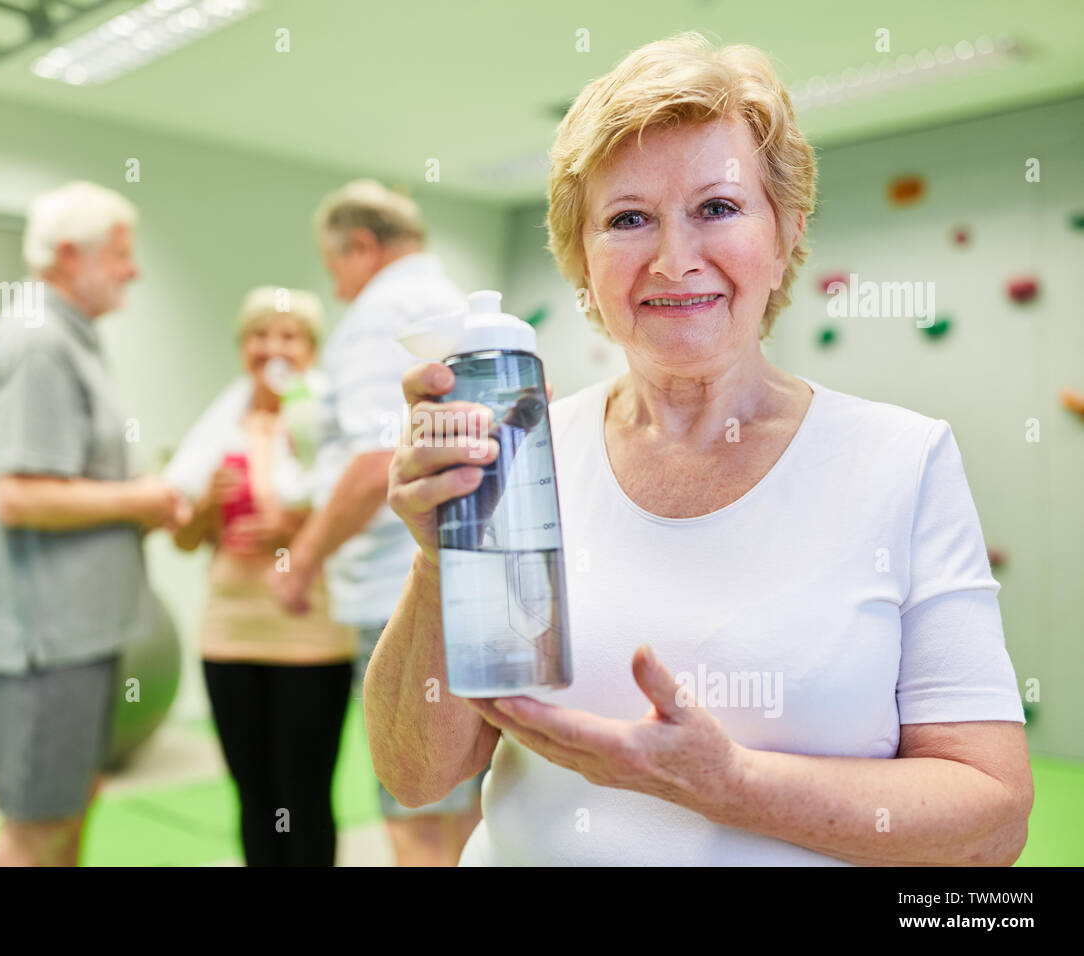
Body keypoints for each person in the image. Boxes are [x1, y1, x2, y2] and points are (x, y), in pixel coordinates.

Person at [372, 32, 1034, 866]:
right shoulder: (519, 451)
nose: (674, 259)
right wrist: (440, 563)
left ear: (787, 232)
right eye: (627, 219)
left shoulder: (902, 462)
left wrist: (729, 785)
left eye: (717, 208)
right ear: (582, 258)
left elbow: (993, 821)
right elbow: (418, 774)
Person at [0, 181, 189, 866]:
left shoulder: (71, 338)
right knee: (38, 830)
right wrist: (141, 498)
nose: (134, 269)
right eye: (121, 254)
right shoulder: (38, 344)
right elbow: (19, 497)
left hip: (78, 636)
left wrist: (141, 503)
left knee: (72, 805)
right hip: (43, 644)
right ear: (68, 254)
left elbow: (67, 485)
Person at [267, 180, 484, 865]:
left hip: (402, 588)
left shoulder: (379, 313)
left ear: (362, 246)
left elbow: (369, 464)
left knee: (415, 807)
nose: (335, 285)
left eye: (334, 266)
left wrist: (299, 561)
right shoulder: (452, 301)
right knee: (466, 801)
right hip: (468, 582)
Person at [165, 286, 358, 867]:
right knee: (252, 794)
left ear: (311, 349)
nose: (272, 346)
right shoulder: (218, 427)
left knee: (303, 795)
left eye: (288, 336)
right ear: (242, 346)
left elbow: (358, 515)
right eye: (259, 335)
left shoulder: (328, 421)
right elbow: (184, 540)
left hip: (310, 628)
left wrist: (294, 531)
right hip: (229, 629)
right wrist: (203, 510)